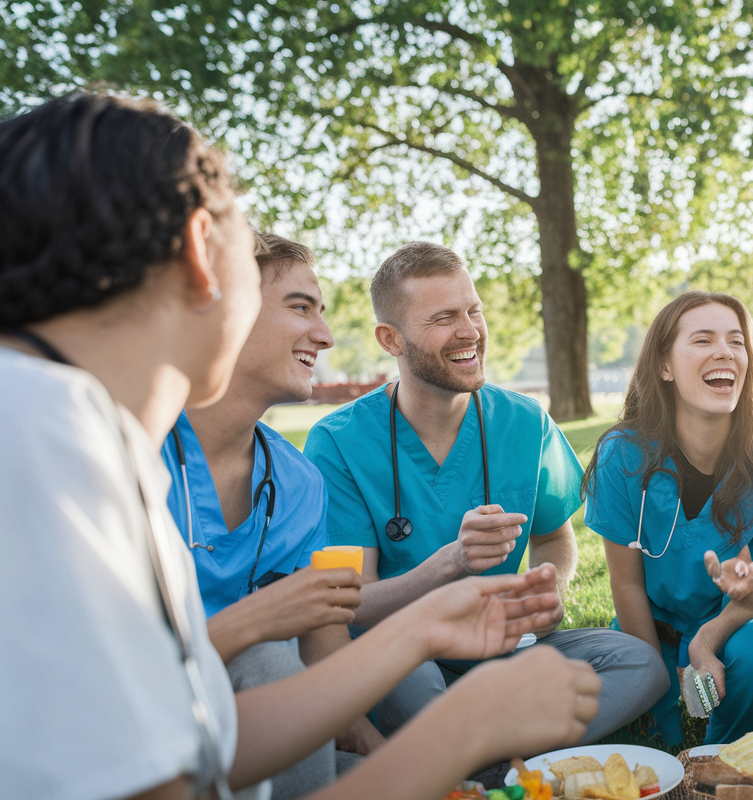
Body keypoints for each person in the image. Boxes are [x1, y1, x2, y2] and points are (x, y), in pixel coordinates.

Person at [0, 92, 599, 800]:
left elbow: (202, 740)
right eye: (265, 280)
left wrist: (422, 628)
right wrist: (466, 728)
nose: (322, 334)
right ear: (200, 252)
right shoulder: (39, 438)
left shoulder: (71, 427)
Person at [302, 241, 668, 742]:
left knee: (640, 664)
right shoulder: (338, 441)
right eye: (444, 318)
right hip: (408, 653)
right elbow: (353, 604)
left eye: (473, 310)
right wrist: (452, 561)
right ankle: (507, 760)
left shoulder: (524, 420)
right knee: (411, 682)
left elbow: (555, 539)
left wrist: (548, 589)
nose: (470, 331)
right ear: (391, 338)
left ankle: (472, 759)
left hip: (504, 647)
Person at [159, 232, 383, 798]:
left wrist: (383, 751)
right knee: (268, 663)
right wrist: (260, 622)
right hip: (130, 722)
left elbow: (325, 646)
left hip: (240, 728)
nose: (325, 336)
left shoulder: (298, 482)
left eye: (322, 313)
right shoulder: (134, 451)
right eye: (300, 307)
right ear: (224, 309)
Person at [581, 291, 753, 746]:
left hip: (732, 625)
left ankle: (726, 753)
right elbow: (627, 584)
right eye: (703, 340)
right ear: (664, 366)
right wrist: (649, 676)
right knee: (646, 746)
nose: (725, 352)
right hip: (646, 629)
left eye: (736, 341)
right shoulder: (623, 455)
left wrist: (707, 640)